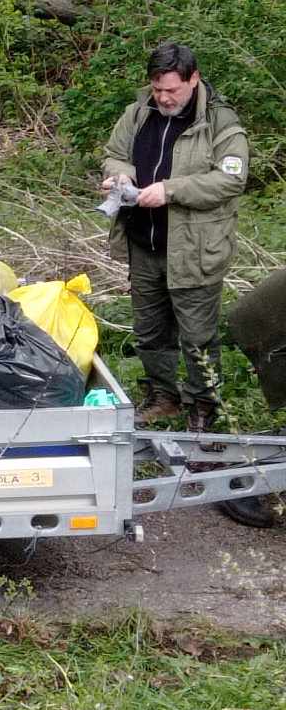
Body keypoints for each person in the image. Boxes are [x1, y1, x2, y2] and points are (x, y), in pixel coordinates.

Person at [101, 42, 249, 432]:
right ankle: (163, 398)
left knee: (198, 337)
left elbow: (230, 180)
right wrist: (121, 174)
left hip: (196, 250)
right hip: (144, 244)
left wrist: (170, 190)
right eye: (157, 89)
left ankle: (203, 406)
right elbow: (114, 153)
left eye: (172, 90)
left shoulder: (221, 123)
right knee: (150, 333)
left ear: (193, 79)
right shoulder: (138, 113)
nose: (164, 98)